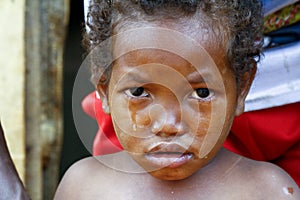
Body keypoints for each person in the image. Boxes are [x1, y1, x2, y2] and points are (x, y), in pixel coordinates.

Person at [55, 0, 300, 199]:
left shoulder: (268, 191)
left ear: (242, 87)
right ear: (103, 88)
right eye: (140, 92)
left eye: (201, 93)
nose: (168, 124)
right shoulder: (84, 188)